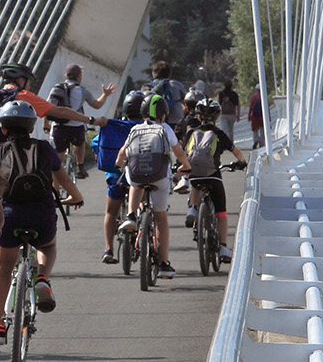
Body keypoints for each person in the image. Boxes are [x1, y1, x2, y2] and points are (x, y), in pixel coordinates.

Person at [0, 97, 75, 328]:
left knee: (4, 266)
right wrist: (76, 196)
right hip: (41, 214)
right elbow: (62, 177)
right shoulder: (44, 148)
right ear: (32, 126)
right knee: (48, 246)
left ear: (3, 128)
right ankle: (42, 276)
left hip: (10, 215)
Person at [117, 92, 185, 276]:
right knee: (161, 217)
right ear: (163, 113)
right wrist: (186, 166)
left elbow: (123, 152)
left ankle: (131, 216)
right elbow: (178, 152)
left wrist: (118, 163)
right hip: (160, 176)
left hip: (137, 174)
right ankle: (163, 264)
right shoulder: (165, 129)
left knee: (134, 183)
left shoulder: (135, 129)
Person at [181, 97, 246, 246]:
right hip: (213, 176)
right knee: (221, 212)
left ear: (198, 116)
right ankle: (223, 246)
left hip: (195, 175)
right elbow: (236, 152)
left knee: (195, 181)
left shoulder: (192, 132)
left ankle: (192, 208)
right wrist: (241, 163)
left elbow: (183, 153)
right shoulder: (219, 133)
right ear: (216, 117)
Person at [92, 91, 139, 260]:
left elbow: (95, 142)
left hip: (116, 177)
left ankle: (108, 250)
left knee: (111, 212)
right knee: (148, 205)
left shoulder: (115, 126)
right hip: (141, 175)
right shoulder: (147, 128)